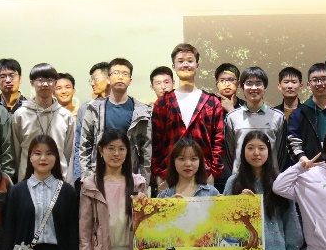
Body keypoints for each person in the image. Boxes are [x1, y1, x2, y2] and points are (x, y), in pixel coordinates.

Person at [151, 43, 226, 188]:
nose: (185, 64)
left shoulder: (211, 102)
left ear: (197, 65)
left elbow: (218, 141)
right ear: (174, 66)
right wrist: (158, 172)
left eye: (190, 61)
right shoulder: (162, 103)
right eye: (180, 61)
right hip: (168, 175)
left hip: (204, 174)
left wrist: (213, 171)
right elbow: (156, 141)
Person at [226, 131, 302, 250]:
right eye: (250, 148)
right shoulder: (233, 182)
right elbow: (224, 223)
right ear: (242, 151)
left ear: (269, 151)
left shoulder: (280, 182)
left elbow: (291, 224)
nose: (256, 153)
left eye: (261, 148)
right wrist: (238, 205)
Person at [75, 57, 153, 185]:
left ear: (130, 80)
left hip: (130, 177)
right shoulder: (93, 109)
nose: (120, 77)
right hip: (98, 176)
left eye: (125, 74)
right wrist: (87, 178)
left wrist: (143, 183)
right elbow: (85, 145)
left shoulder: (142, 112)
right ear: (108, 78)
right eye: (116, 73)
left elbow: (146, 151)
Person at [13, 63, 76, 183]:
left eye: (50, 80)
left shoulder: (66, 116)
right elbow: (16, 151)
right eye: (40, 80)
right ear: (32, 83)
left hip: (58, 178)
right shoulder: (21, 114)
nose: (45, 84)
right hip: (27, 179)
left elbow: (67, 152)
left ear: (55, 83)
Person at [222, 66, 287, 179]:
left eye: (258, 83)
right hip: (240, 179)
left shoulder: (278, 117)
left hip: (270, 179)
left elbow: (281, 154)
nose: (253, 88)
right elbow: (229, 153)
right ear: (242, 87)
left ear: (265, 87)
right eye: (249, 83)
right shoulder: (232, 117)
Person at [286, 62, 326, 165]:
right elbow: (293, 142)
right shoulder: (299, 113)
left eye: (324, 79)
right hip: (309, 170)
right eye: (315, 80)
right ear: (309, 85)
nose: (320, 83)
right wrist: (304, 160)